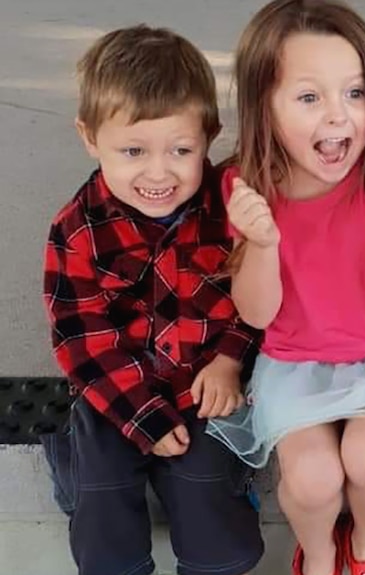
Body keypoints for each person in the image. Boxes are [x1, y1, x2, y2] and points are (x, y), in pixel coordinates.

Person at [204, 2, 365, 575]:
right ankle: (317, 553)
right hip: (296, 359)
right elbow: (259, 313)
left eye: (356, 93)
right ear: (264, 104)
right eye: (309, 97)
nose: (339, 117)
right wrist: (262, 243)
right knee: (313, 478)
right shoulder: (246, 183)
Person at [41, 25, 264, 575]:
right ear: (89, 137)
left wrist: (231, 359)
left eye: (181, 150)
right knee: (101, 487)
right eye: (133, 150)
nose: (159, 172)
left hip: (206, 380)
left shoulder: (231, 207)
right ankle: (77, 474)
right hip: (116, 387)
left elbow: (258, 295)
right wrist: (143, 417)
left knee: (204, 484)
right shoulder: (78, 230)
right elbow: (82, 339)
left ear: (209, 135)